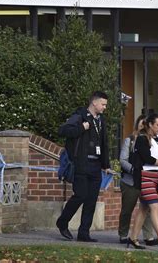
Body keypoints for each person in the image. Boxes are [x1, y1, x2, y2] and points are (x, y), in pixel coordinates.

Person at [56, 91, 111, 242]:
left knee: (91, 200)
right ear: (94, 103)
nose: (104, 107)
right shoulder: (79, 116)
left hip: (96, 165)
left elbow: (104, 143)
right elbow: (63, 131)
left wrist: (106, 164)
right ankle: (62, 222)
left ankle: (84, 233)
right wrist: (81, 127)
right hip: (81, 163)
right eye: (103, 104)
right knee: (80, 195)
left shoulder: (101, 120)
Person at [127, 113, 158, 250]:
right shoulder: (142, 139)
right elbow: (147, 158)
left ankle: (133, 237)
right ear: (150, 125)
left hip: (155, 177)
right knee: (154, 206)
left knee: (144, 208)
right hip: (145, 176)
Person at [118, 115, 157, 246]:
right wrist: (133, 170)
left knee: (147, 208)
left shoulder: (152, 142)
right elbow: (123, 160)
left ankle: (148, 236)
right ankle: (123, 234)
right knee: (127, 209)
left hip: (145, 179)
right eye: (141, 125)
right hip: (131, 181)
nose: (143, 128)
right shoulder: (130, 140)